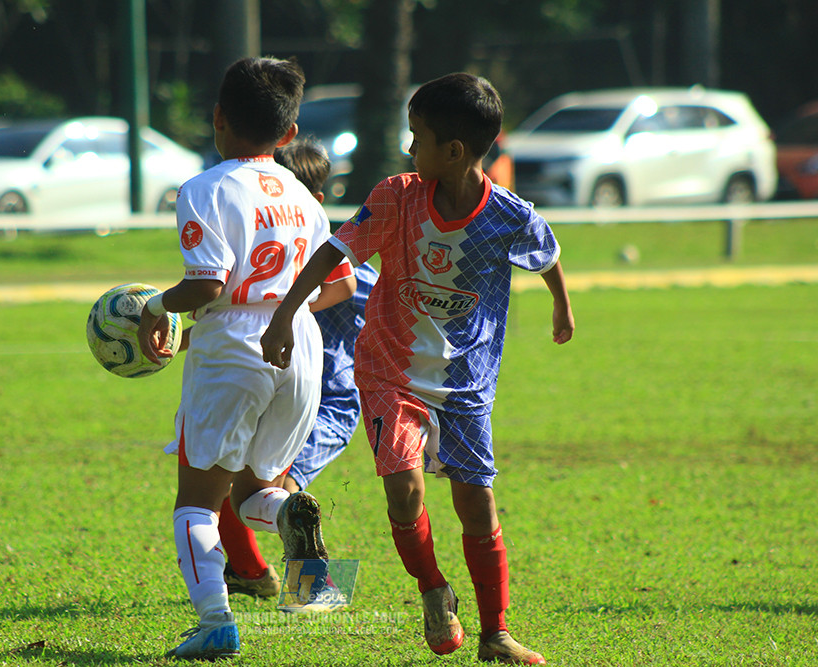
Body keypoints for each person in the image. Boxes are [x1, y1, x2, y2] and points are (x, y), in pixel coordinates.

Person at [260, 73, 574, 665]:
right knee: (405, 492)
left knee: (476, 505)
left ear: (453, 151)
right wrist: (285, 311)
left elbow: (547, 253)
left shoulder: (508, 215)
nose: (409, 148)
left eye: (418, 137)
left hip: (465, 381)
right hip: (388, 370)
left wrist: (562, 304)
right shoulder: (396, 197)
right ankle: (433, 590)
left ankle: (495, 634)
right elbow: (335, 250)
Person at [137, 57, 355, 661]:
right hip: (300, 340)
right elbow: (337, 280)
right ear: (288, 133)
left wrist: (155, 307)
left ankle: (215, 622)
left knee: (196, 501)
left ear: (218, 118)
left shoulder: (204, 188)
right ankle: (295, 525)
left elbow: (207, 283)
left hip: (234, 345)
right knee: (257, 491)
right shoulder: (304, 196)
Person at [216, 138, 379, 599]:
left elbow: (394, 317)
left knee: (271, 486)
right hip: (283, 388)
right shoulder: (267, 258)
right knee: (238, 479)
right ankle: (250, 572)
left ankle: (311, 589)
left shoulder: (347, 271)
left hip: (326, 402)